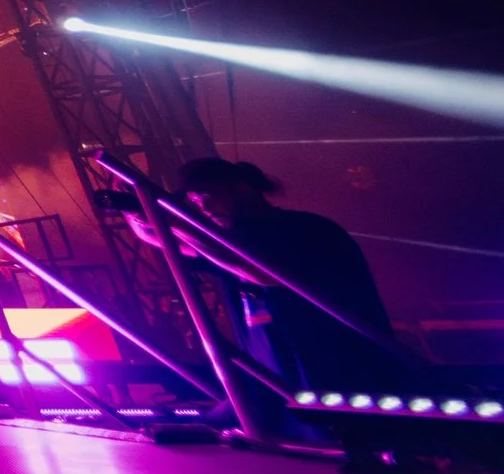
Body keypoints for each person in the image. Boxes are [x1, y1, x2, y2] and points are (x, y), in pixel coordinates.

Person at [141, 157, 405, 397]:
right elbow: (159, 239)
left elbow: (263, 272)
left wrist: (177, 226)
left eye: (209, 196)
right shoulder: (226, 243)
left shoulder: (304, 229)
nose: (205, 208)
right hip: (281, 381)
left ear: (243, 189)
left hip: (343, 372)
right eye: (196, 202)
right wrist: (136, 211)